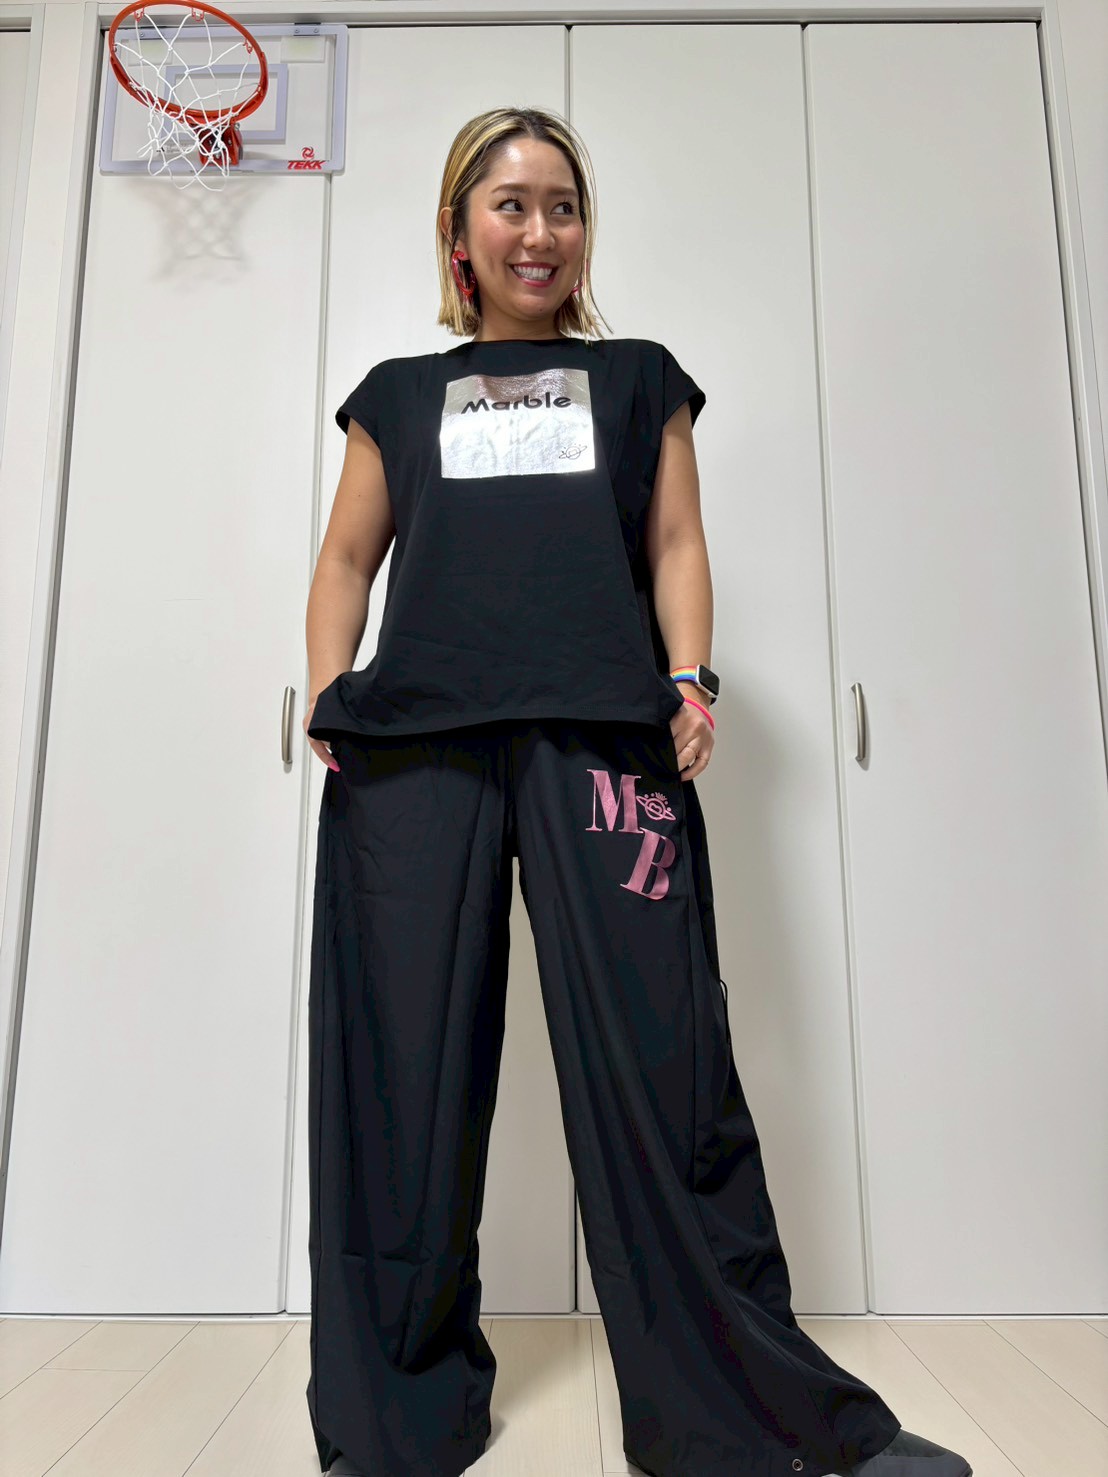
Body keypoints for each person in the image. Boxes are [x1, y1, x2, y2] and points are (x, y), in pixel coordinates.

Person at [301, 107, 973, 1477]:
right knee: (400, 1078)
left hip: (606, 740)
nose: (540, 230)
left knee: (667, 1072)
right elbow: (345, 559)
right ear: (460, 234)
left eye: (563, 205)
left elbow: (676, 539)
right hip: (416, 752)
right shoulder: (397, 394)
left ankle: (750, 1420)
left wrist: (691, 678)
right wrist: (327, 692)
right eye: (510, 204)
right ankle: (393, 1421)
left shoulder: (637, 381)